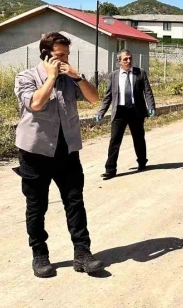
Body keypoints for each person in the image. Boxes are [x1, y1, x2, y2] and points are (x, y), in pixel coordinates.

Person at [13, 32, 105, 278]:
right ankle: (40, 254)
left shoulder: (69, 80)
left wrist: (77, 77)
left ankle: (83, 253)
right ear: (45, 54)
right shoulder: (26, 77)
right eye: (59, 55)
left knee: (75, 202)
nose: (64, 59)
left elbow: (94, 98)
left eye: (66, 54)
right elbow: (35, 104)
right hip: (35, 153)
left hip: (67, 151)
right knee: (37, 206)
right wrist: (51, 78)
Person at [97, 49, 156, 179]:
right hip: (120, 111)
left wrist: (151, 106)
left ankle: (142, 162)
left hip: (136, 111)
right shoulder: (113, 75)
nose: (128, 61)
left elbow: (148, 91)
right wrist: (101, 112)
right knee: (115, 140)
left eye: (130, 58)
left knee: (139, 138)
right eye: (125, 59)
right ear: (119, 62)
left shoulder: (140, 73)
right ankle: (110, 169)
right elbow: (108, 96)